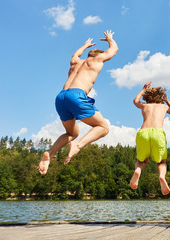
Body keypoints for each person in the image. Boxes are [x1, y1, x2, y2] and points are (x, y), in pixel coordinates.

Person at [38, 30, 118, 175]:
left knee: (71, 132)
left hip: (61, 97)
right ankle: (78, 145)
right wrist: (110, 39)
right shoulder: (96, 60)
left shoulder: (75, 63)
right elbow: (114, 50)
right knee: (103, 127)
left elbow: (75, 55)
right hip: (77, 95)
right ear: (98, 56)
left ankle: (49, 154)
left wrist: (85, 45)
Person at [129, 81, 170, 195]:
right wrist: (167, 101)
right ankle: (161, 176)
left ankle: (138, 170)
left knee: (141, 160)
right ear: (160, 98)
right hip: (158, 133)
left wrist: (143, 89)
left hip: (143, 133)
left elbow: (135, 101)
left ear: (147, 97)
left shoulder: (144, 105)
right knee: (161, 162)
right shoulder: (163, 106)